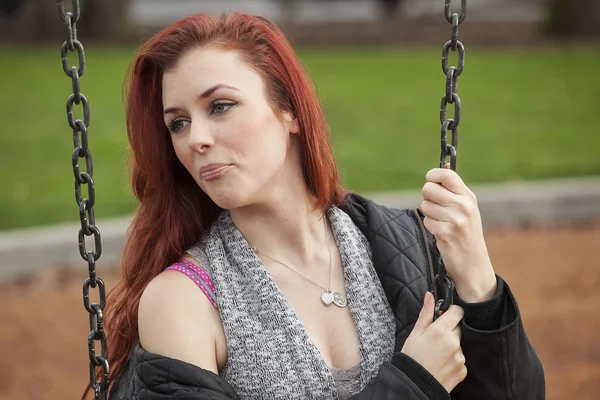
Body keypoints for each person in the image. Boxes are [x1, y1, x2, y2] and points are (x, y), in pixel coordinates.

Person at [103, 12, 544, 400]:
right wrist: (413, 384)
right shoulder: (182, 302)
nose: (195, 138)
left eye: (220, 106)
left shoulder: (401, 244)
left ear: (289, 111)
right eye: (178, 123)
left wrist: (479, 282)